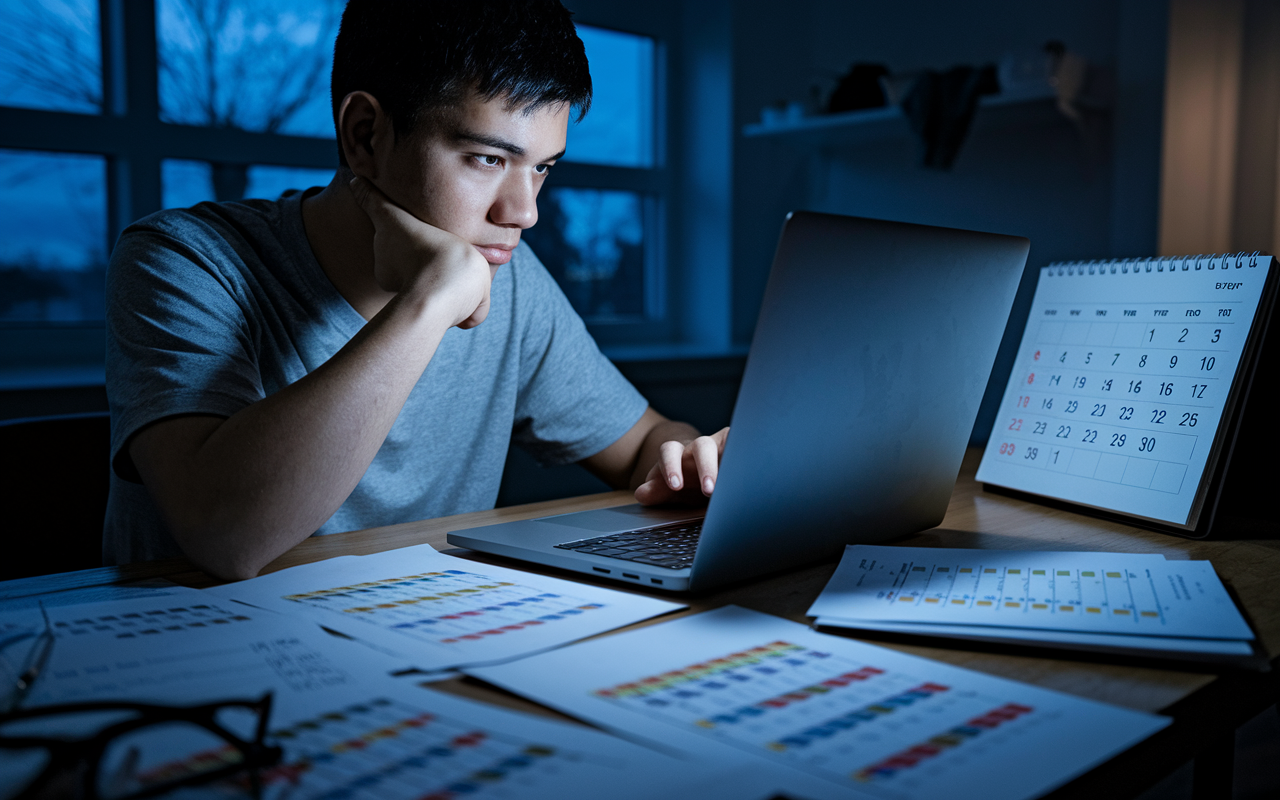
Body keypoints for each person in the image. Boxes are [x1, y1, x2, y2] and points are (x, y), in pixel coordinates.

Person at [104, 0, 728, 581]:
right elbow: (225, 538)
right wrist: (428, 303)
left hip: (422, 641)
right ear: (365, 135)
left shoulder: (510, 278)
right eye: (488, 158)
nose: (524, 212)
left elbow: (644, 443)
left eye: (541, 167)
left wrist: (694, 465)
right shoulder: (184, 259)